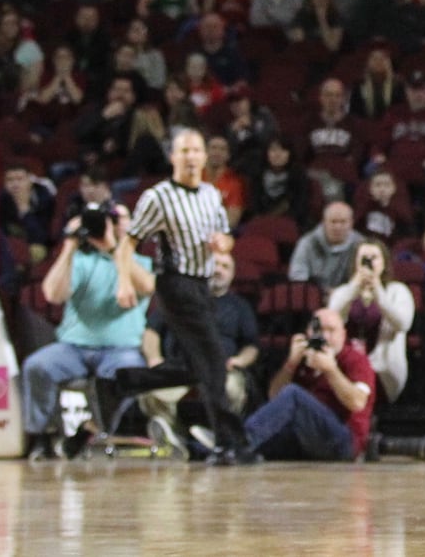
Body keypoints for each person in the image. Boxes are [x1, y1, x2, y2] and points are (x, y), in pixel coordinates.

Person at [117, 127, 256, 464]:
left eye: (196, 150)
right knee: (214, 361)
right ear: (172, 157)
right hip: (175, 282)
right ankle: (229, 443)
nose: (191, 157)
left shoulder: (211, 194)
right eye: (184, 151)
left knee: (199, 367)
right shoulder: (158, 197)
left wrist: (225, 244)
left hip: (203, 284)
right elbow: (129, 242)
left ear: (205, 157)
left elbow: (225, 236)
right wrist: (124, 282)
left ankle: (120, 384)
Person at [23, 202, 152, 459]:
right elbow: (53, 294)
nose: (112, 226)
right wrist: (69, 247)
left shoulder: (141, 261)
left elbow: (146, 287)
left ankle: (100, 431)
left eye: (118, 219)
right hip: (74, 347)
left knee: (128, 373)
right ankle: (41, 436)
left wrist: (114, 248)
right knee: (37, 366)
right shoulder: (81, 261)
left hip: (120, 349)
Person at [137, 251, 259, 453]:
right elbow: (151, 332)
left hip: (222, 369)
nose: (219, 270)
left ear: (233, 275)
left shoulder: (240, 307)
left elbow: (252, 346)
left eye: (225, 267)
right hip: (179, 367)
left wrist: (240, 361)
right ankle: (174, 439)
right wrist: (154, 359)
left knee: (233, 389)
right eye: (215, 264)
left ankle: (217, 436)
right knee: (149, 391)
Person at [247, 307, 375, 461]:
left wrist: (331, 371)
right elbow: (274, 396)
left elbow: (357, 402)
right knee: (266, 439)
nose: (325, 337)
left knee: (293, 394)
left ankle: (240, 442)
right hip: (306, 436)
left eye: (331, 331)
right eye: (319, 330)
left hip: (344, 440)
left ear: (343, 334)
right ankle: (222, 446)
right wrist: (290, 364)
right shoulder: (303, 359)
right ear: (309, 333)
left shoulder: (356, 360)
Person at [327, 240, 415, 403]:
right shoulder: (344, 292)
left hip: (383, 371)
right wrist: (354, 287)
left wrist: (377, 291)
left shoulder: (397, 291)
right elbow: (329, 318)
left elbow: (403, 323)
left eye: (374, 257)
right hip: (346, 367)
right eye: (364, 258)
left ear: (384, 263)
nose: (369, 263)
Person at [287, 201, 362, 292]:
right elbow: (297, 277)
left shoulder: (361, 245)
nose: (337, 227)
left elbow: (365, 280)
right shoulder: (307, 243)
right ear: (324, 222)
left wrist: (340, 295)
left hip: (348, 298)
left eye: (343, 222)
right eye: (333, 222)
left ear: (351, 223)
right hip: (314, 298)